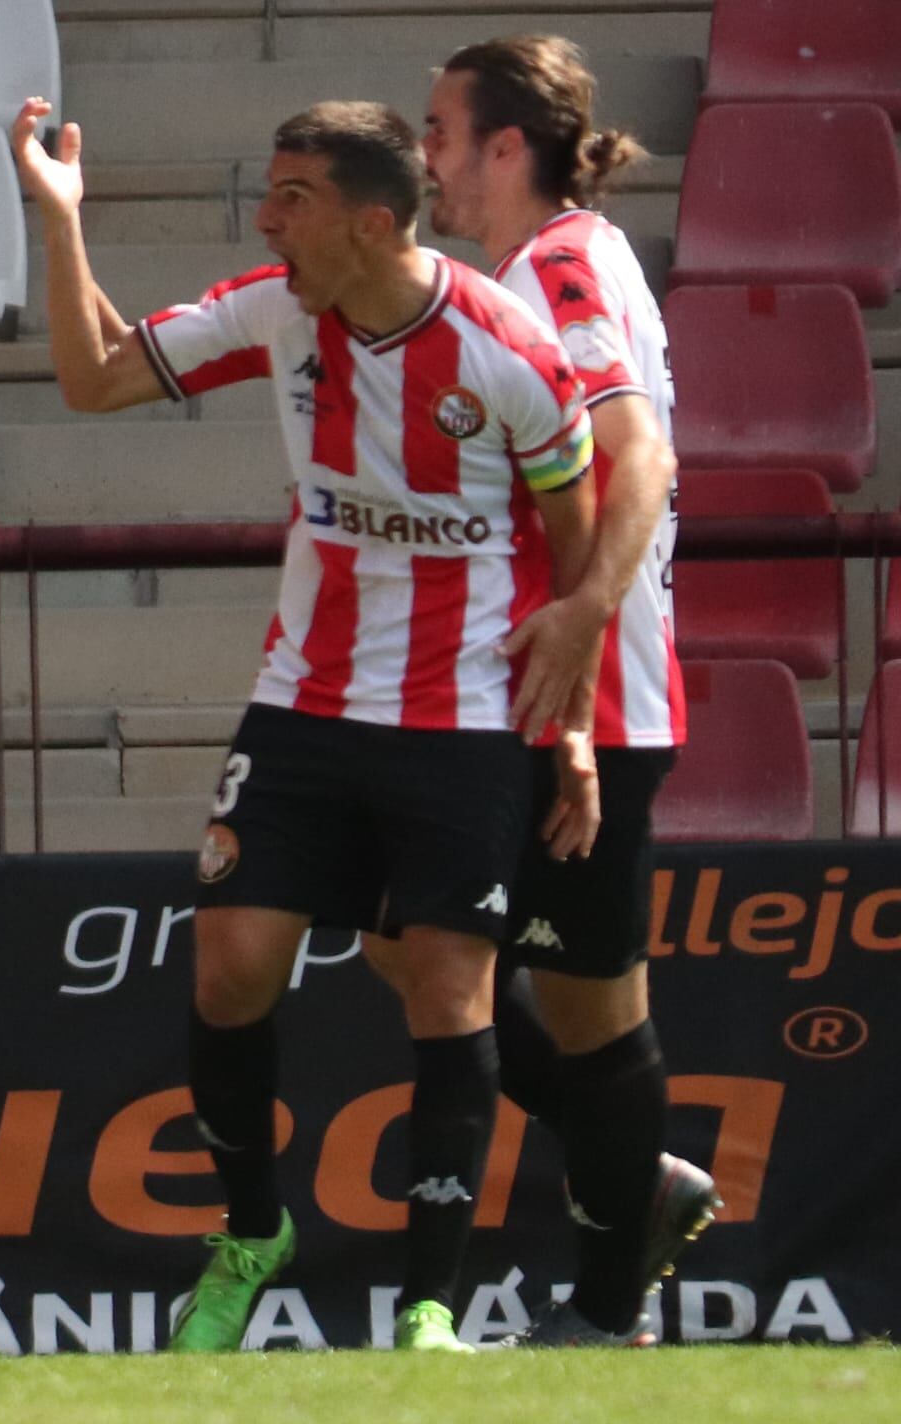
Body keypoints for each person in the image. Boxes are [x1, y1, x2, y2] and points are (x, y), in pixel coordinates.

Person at [12, 95, 603, 1352]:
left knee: (446, 989)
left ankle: (432, 1307)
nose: (266, 216)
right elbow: (91, 377)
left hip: (460, 717)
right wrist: (57, 222)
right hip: (305, 703)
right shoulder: (276, 307)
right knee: (229, 965)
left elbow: (577, 548)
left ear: (371, 221)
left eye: (292, 197)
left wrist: (575, 729)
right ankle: (249, 1229)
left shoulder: (504, 349)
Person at [406, 34, 720, 1345]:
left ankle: (611, 1298)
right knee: (425, 938)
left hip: (590, 697)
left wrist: (586, 619)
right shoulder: (532, 273)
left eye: (440, 131)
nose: (425, 158)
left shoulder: (566, 264)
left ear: (505, 147)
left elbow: (635, 447)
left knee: (571, 1007)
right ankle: (630, 1171)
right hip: (541, 695)